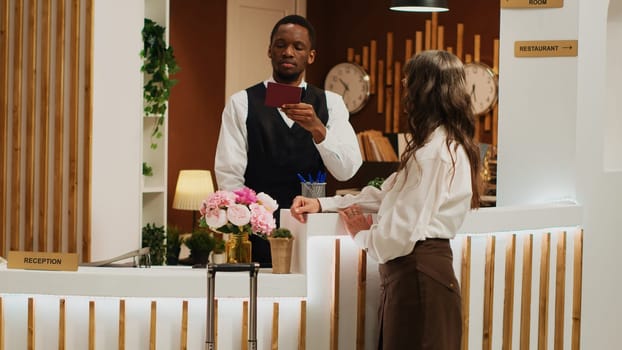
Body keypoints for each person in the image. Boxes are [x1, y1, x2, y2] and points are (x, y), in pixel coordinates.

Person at [290, 50, 481, 350]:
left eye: (409, 82)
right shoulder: (441, 146)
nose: (405, 89)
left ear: (424, 90)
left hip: (418, 279)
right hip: (421, 277)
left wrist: (362, 236)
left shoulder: (432, 154)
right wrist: (324, 204)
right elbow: (385, 194)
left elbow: (399, 236)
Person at [214, 15, 363, 266]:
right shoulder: (242, 102)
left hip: (314, 231)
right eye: (281, 45)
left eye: (298, 46)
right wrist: (243, 225)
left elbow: (347, 170)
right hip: (257, 231)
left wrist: (318, 129)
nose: (288, 52)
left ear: (311, 56)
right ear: (270, 51)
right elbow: (229, 175)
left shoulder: (332, 104)